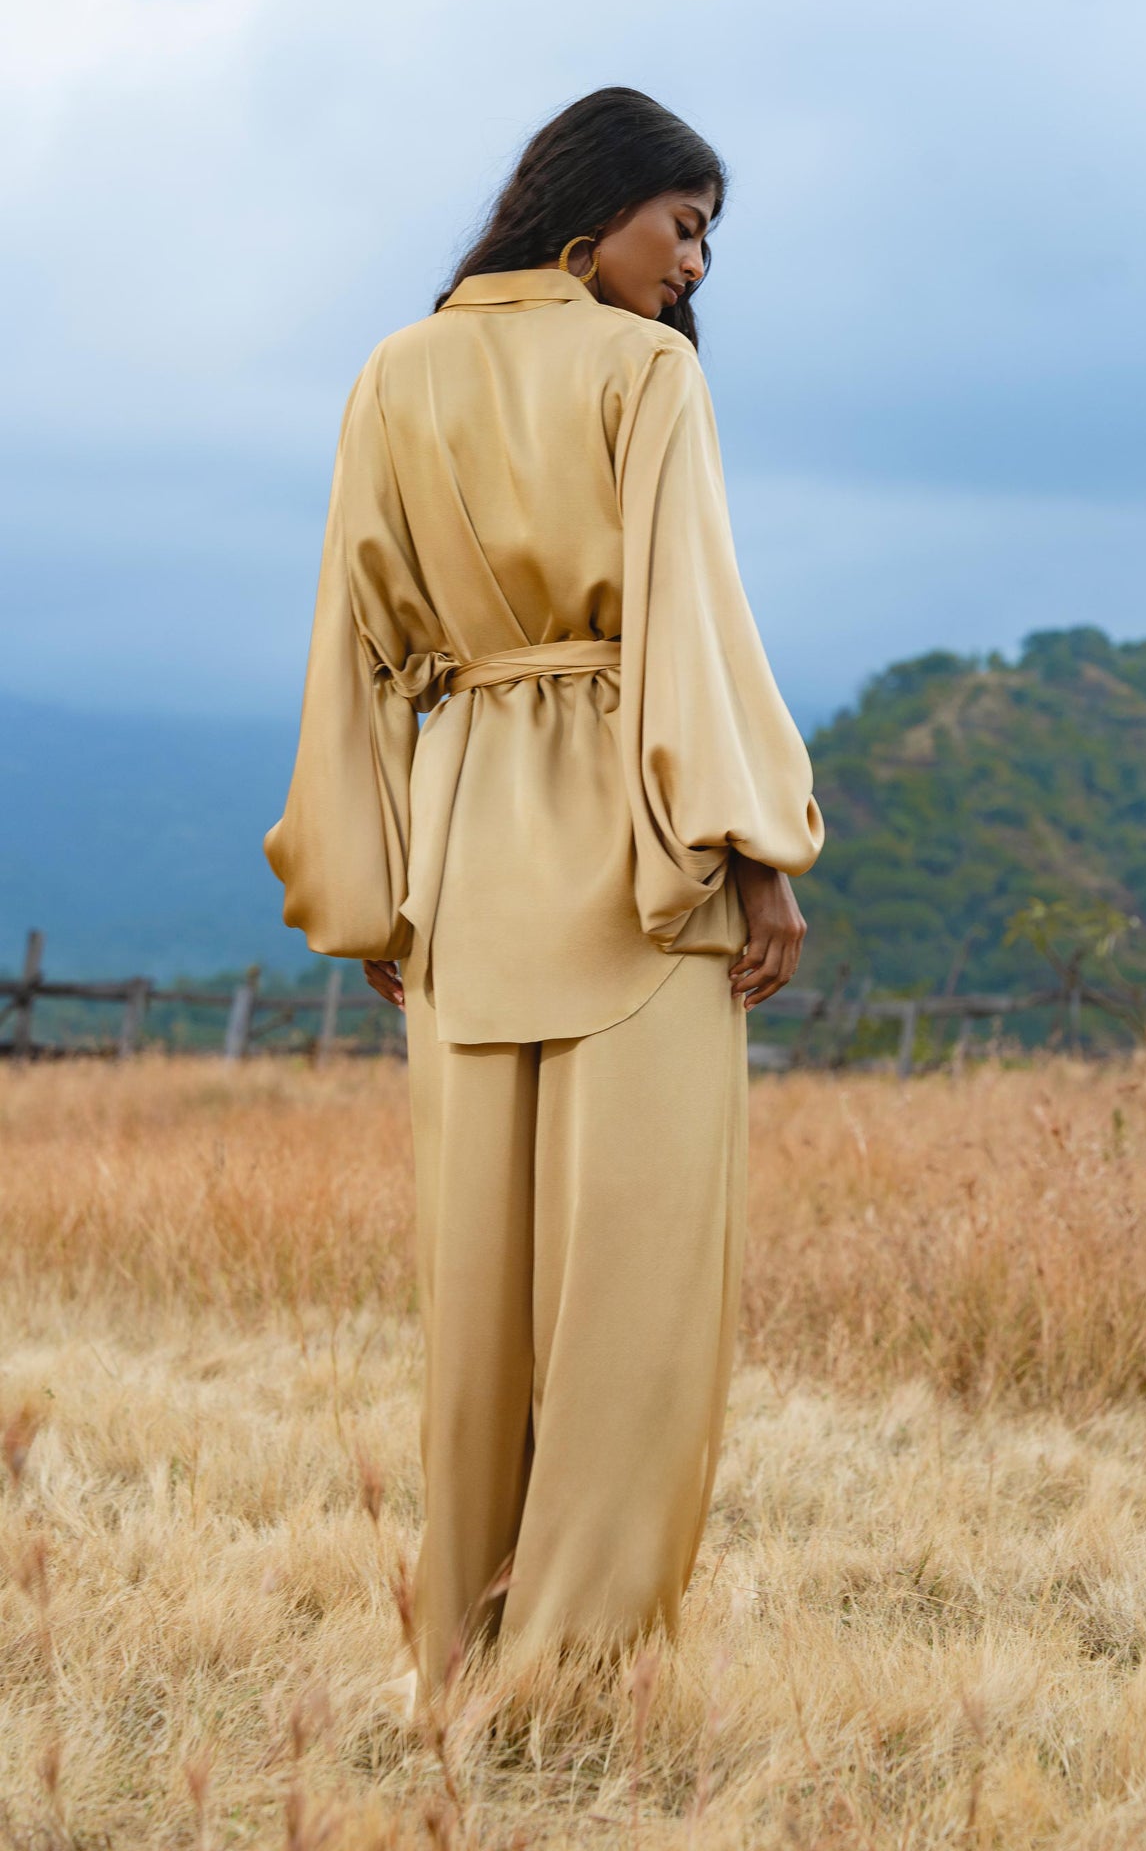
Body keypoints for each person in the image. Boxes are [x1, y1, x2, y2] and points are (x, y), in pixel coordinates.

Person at [264, 86, 823, 1708]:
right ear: (593, 222)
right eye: (684, 225)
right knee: (635, 1294)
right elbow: (687, 621)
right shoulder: (640, 373)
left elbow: (352, 650)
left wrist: (373, 888)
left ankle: (462, 1656)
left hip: (461, 852)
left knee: (478, 1293)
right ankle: (577, 1667)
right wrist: (758, 855)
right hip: (634, 857)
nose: (696, 267)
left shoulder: (393, 371)